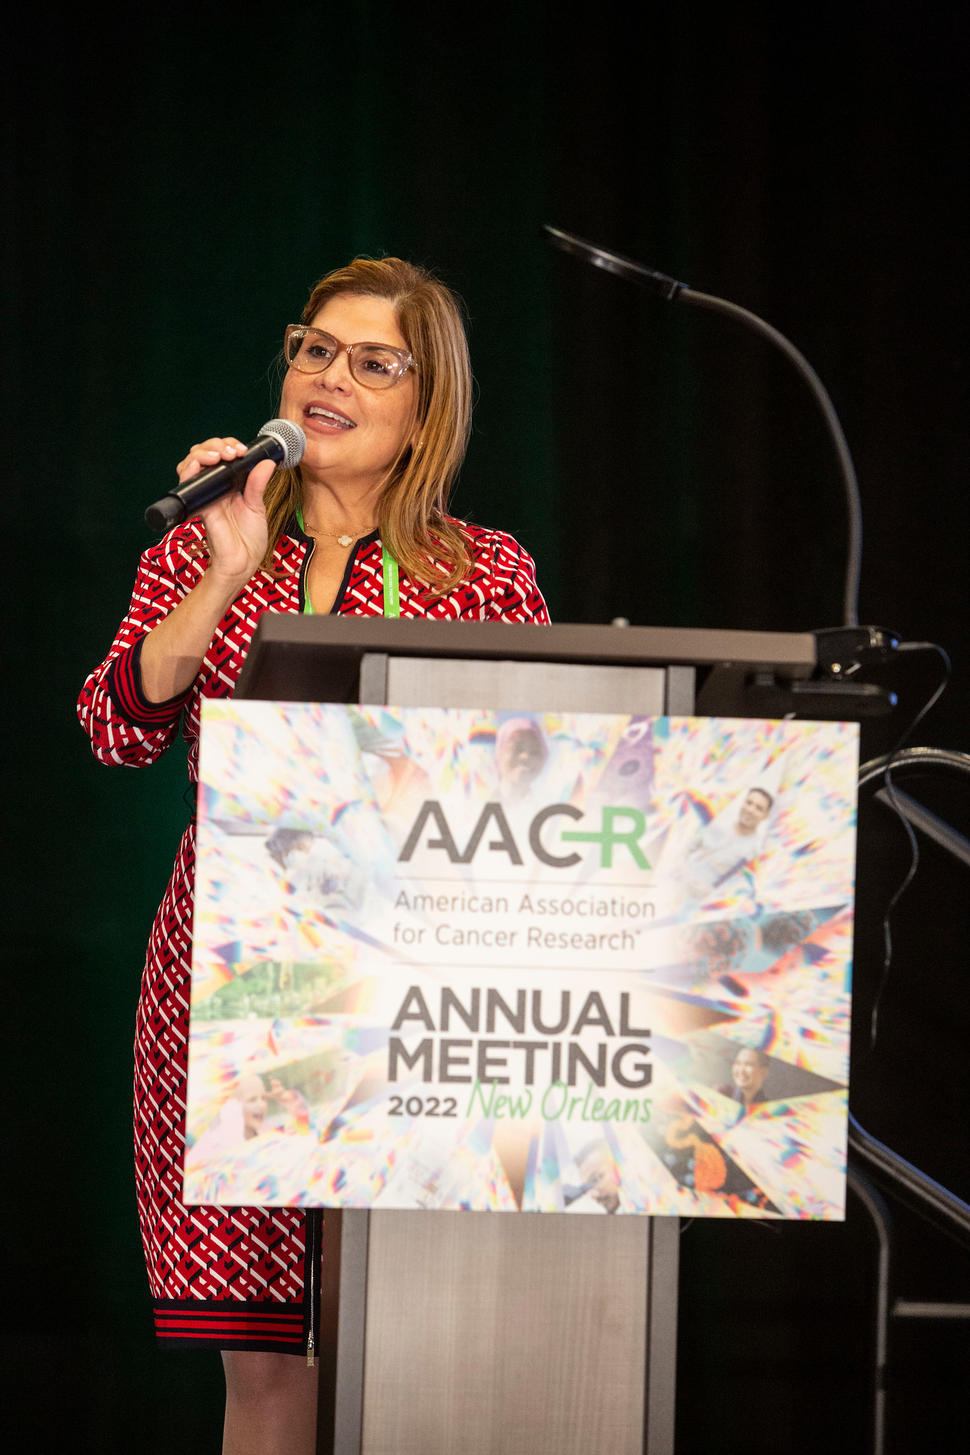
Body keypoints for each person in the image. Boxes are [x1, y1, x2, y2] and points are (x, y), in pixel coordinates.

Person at [77, 257, 549, 1455]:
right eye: (315, 349)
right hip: (228, 985)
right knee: (267, 1370)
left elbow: (539, 778)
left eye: (374, 362)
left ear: (424, 410)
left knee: (394, 1349)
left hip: (418, 995)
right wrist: (228, 566)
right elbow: (116, 727)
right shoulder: (206, 542)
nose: (331, 376)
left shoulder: (483, 571)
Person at [682, 785, 773, 900]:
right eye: (748, 803)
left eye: (758, 808)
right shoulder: (720, 823)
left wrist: (710, 890)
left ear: (765, 816)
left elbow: (738, 882)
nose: (750, 810)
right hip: (680, 880)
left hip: (702, 898)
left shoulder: (755, 850)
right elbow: (689, 847)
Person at [718, 1046, 771, 1110]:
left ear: (764, 1072)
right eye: (738, 1063)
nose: (741, 1071)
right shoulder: (721, 1094)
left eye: (748, 1064)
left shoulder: (769, 1108)